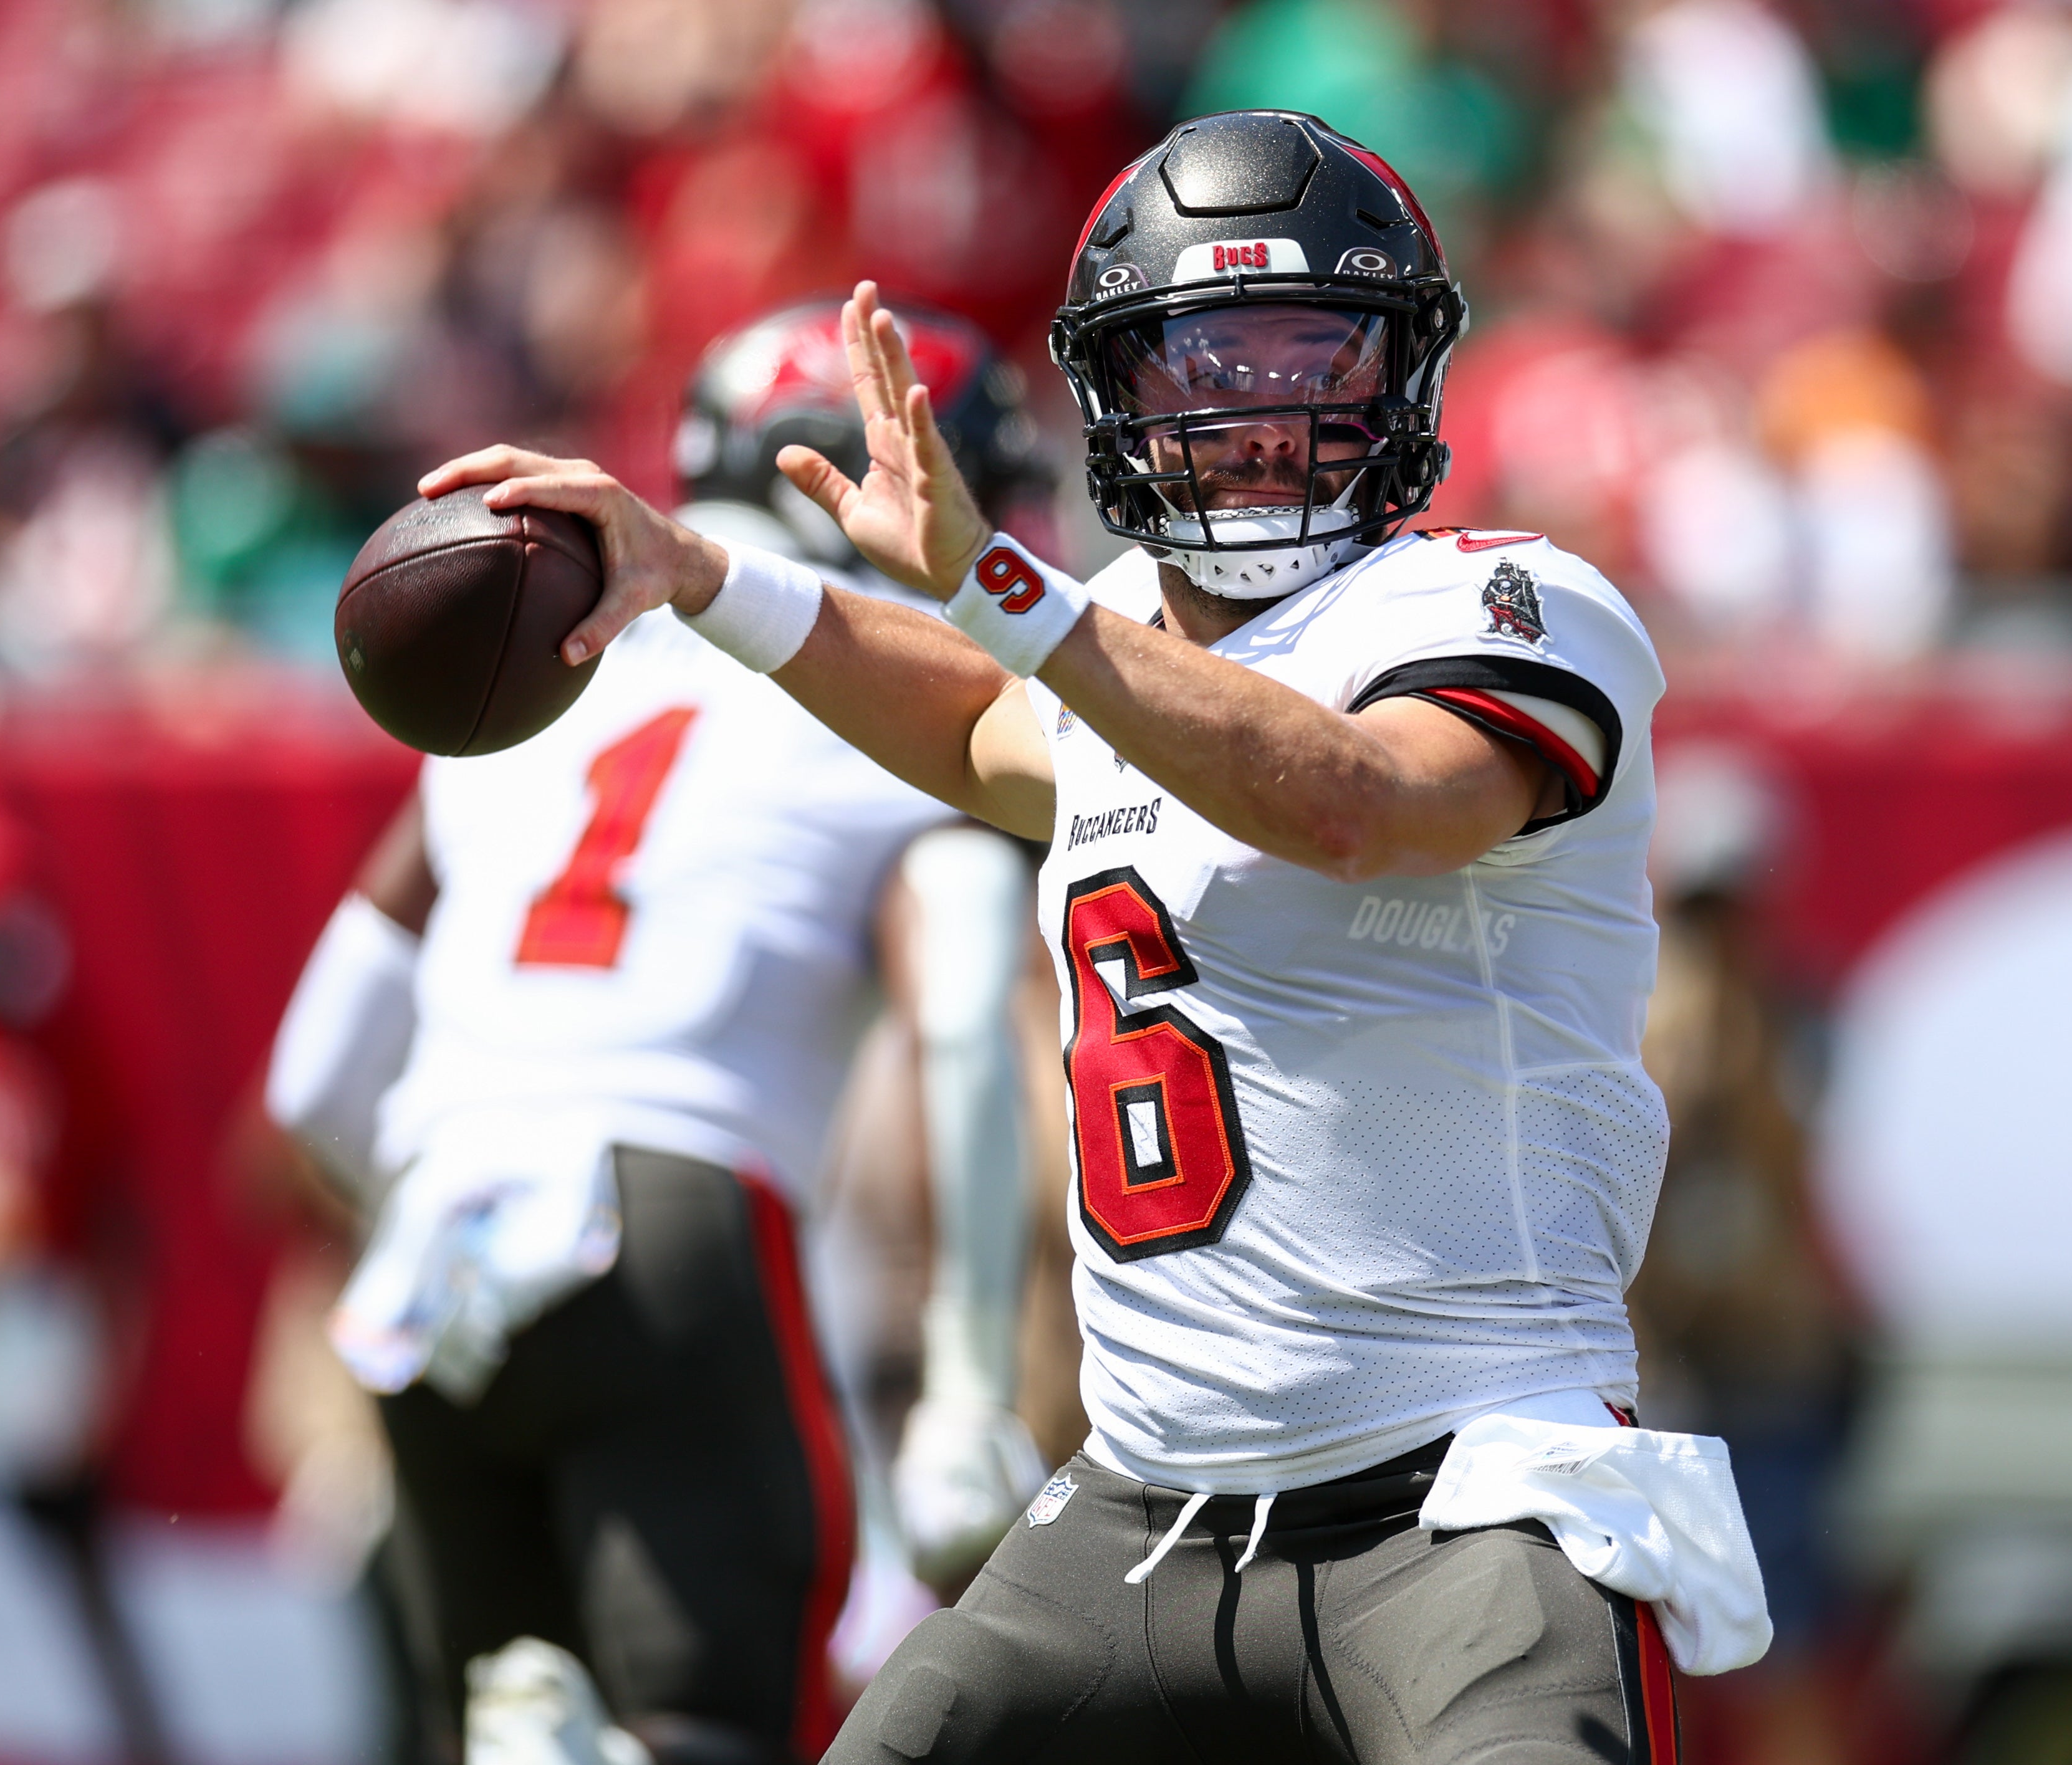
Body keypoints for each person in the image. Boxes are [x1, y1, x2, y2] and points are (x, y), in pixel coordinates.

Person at [424, 110, 1770, 1765]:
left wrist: (1013, 597)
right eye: (1206, 360)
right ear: (1118, 399)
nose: (1262, 413)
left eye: (1310, 350)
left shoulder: (1507, 604)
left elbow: (1357, 804)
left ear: (1405, 368)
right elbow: (984, 732)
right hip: (1138, 1513)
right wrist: (709, 578)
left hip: (1467, 1495)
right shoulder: (1098, 648)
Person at [265, 301, 1053, 1765]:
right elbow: (960, 1031)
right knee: (717, 1724)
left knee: (486, 1720)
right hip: (677, 1213)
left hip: (431, 1248)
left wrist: (467, 1217)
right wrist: (967, 1387)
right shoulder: (898, 707)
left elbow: (314, 1082)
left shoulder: (534, 678)